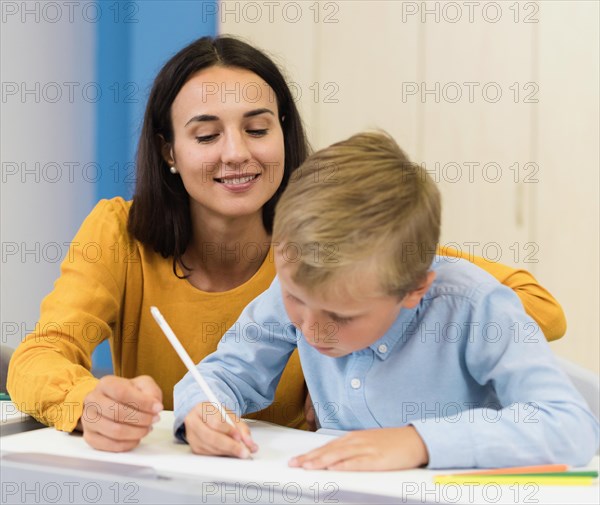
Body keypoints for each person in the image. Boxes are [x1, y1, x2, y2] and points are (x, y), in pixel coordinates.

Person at [8, 36, 566, 454]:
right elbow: (40, 357)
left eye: (257, 128)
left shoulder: (338, 234)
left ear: (284, 131)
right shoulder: (119, 233)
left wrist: (385, 347)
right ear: (169, 151)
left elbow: (522, 306)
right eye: (205, 135)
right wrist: (93, 404)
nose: (236, 153)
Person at [174, 131, 599, 470]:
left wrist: (418, 442)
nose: (312, 328)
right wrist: (204, 409)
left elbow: (571, 426)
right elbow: (225, 374)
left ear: (414, 289)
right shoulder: (300, 286)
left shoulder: (475, 305)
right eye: (294, 298)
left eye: (342, 315)